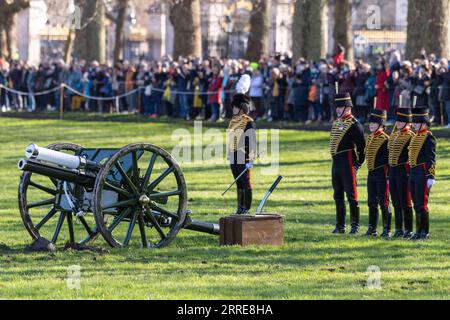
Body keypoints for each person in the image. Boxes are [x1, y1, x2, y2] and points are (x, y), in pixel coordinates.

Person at [330, 91, 366, 234]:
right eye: (337, 107)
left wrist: (357, 164)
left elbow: (362, 147)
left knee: (352, 195)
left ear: (348, 107)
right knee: (337, 194)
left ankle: (355, 226)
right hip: (336, 163)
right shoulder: (337, 122)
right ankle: (340, 226)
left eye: (341, 107)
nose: (338, 109)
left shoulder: (354, 125)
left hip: (348, 161)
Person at [228, 75, 257, 215]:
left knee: (245, 183)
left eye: (235, 106)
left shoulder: (248, 121)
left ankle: (246, 207)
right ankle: (240, 207)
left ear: (241, 108)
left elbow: (251, 141)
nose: (232, 109)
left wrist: (250, 159)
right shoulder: (233, 121)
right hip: (234, 156)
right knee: (238, 183)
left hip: (243, 156)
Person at [408, 108, 437, 240]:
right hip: (413, 172)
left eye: (416, 122)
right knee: (415, 203)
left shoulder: (428, 137)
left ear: (423, 123)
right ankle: (418, 231)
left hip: (422, 173)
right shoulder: (415, 136)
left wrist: (431, 176)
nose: (413, 124)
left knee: (421, 204)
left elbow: (431, 158)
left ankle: (424, 232)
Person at [388, 108, 415, 238]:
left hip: (403, 172)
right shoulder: (394, 135)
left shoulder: (411, 136)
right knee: (396, 201)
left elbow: (412, 156)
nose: (398, 123)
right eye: (398, 120)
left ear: (408, 122)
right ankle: (399, 228)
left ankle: (408, 229)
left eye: (401, 120)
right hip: (392, 171)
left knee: (406, 202)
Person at [364, 109, 391, 237]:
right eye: (370, 123)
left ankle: (387, 229)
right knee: (371, 202)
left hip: (382, 174)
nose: (371, 126)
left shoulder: (386, 139)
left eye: (374, 123)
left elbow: (390, 160)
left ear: (381, 125)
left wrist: (388, 176)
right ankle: (372, 229)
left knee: (383, 201)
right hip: (371, 174)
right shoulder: (369, 138)